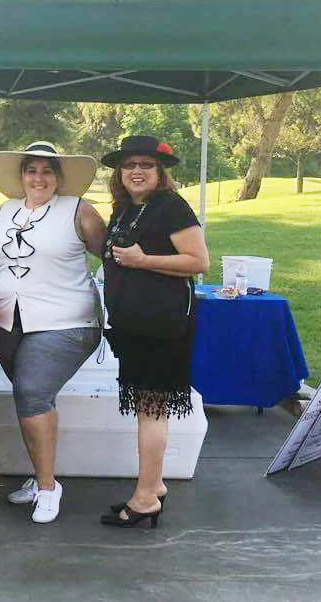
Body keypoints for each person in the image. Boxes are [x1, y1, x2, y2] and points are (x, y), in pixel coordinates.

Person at [0, 141, 105, 523]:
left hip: (66, 321)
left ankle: (50, 487)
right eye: (31, 170)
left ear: (59, 178)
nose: (39, 178)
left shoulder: (79, 210)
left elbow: (113, 255)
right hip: (7, 321)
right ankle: (40, 479)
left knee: (33, 389)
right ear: (21, 177)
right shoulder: (5, 211)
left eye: (47, 171)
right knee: (28, 394)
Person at [98, 136, 209, 528]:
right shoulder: (126, 209)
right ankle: (155, 483)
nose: (137, 171)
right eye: (129, 165)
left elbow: (199, 261)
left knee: (151, 410)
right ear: (120, 172)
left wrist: (144, 261)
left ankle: (145, 499)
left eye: (146, 164)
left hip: (163, 326)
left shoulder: (171, 207)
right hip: (134, 327)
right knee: (148, 408)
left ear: (160, 172)